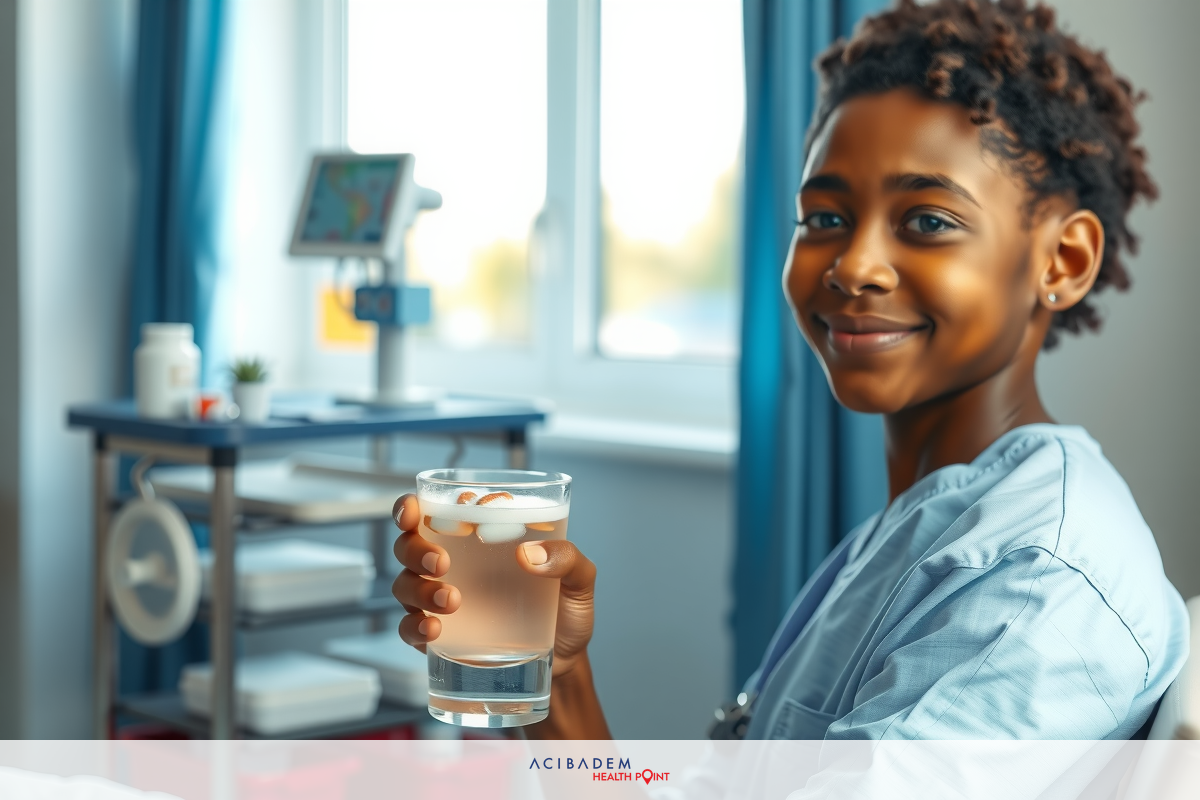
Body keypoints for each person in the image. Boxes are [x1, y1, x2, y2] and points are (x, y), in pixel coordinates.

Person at [390, 0, 1188, 741]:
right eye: (825, 218)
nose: (854, 266)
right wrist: (557, 673)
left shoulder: (1032, 590)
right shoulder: (927, 520)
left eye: (928, 221)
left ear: (1065, 259)